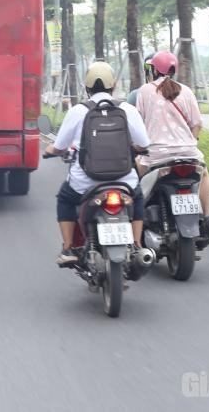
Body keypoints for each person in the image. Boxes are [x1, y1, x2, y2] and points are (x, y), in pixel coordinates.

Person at [45, 62, 151, 265]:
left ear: (86, 87)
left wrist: (49, 151)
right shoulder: (127, 109)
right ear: (113, 86)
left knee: (65, 199)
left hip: (84, 183)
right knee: (137, 198)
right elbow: (144, 143)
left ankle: (68, 248)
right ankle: (137, 245)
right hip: (124, 181)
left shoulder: (77, 111)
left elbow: (59, 146)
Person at [134, 51, 209, 218]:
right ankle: (207, 216)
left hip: (156, 155)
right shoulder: (186, 91)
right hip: (188, 153)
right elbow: (197, 124)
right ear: (173, 70)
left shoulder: (145, 91)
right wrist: (189, 141)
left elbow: (138, 125)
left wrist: (137, 147)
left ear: (153, 70)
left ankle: (137, 222)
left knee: (135, 179)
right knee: (204, 173)